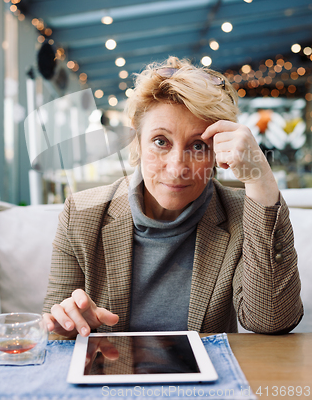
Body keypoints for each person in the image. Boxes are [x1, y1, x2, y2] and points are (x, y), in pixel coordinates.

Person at [42, 57, 303, 337]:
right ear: (136, 141)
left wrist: (259, 178)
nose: (178, 168)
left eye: (198, 145)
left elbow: (272, 321)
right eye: (160, 141)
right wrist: (69, 323)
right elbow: (55, 327)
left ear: (217, 152)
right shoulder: (81, 213)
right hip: (111, 376)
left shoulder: (241, 214)